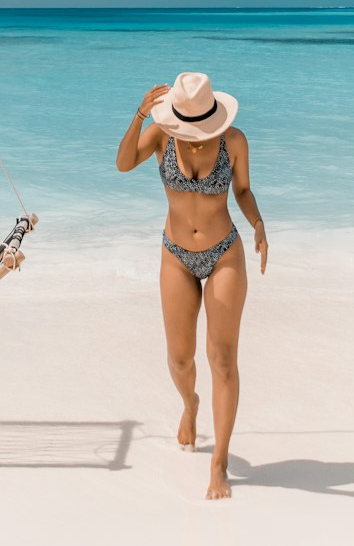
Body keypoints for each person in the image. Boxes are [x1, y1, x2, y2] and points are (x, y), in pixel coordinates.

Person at [116, 71, 267, 500]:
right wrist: (138, 116)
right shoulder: (162, 135)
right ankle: (190, 405)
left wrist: (257, 222)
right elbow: (123, 163)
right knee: (180, 361)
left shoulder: (234, 141)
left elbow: (243, 189)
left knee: (222, 358)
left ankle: (219, 462)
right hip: (175, 256)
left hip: (224, 252)